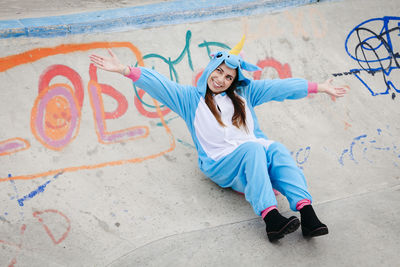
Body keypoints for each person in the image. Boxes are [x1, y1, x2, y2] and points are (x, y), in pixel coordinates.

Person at [89, 37, 347, 242]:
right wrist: (125, 69)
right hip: (220, 163)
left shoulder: (246, 93)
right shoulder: (190, 99)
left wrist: (318, 87)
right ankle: (271, 220)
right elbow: (160, 84)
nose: (221, 79)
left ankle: (307, 213)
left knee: (276, 149)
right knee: (253, 150)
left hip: (250, 154)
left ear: (234, 81)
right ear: (211, 68)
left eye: (228, 77)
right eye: (219, 72)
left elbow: (280, 87)